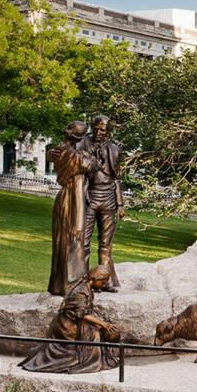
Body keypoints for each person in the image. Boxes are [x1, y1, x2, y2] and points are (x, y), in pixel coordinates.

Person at [21, 266, 121, 374]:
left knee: (97, 331)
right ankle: (89, 360)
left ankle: (100, 358)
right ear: (94, 279)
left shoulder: (86, 286)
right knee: (95, 335)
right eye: (103, 282)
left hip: (75, 321)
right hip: (67, 326)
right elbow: (81, 314)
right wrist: (103, 324)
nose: (104, 285)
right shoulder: (81, 292)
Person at [47, 121, 97, 296]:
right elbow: (89, 164)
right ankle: (71, 284)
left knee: (68, 240)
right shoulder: (66, 152)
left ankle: (63, 284)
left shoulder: (60, 151)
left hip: (71, 197)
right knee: (72, 238)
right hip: (71, 199)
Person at [79, 115, 124, 291]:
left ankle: (104, 281)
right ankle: (82, 281)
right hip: (90, 197)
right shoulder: (82, 144)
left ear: (108, 131)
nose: (98, 132)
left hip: (109, 198)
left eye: (102, 130)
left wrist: (120, 203)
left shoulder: (114, 149)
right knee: (83, 241)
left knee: (106, 243)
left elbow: (116, 178)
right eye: (96, 128)